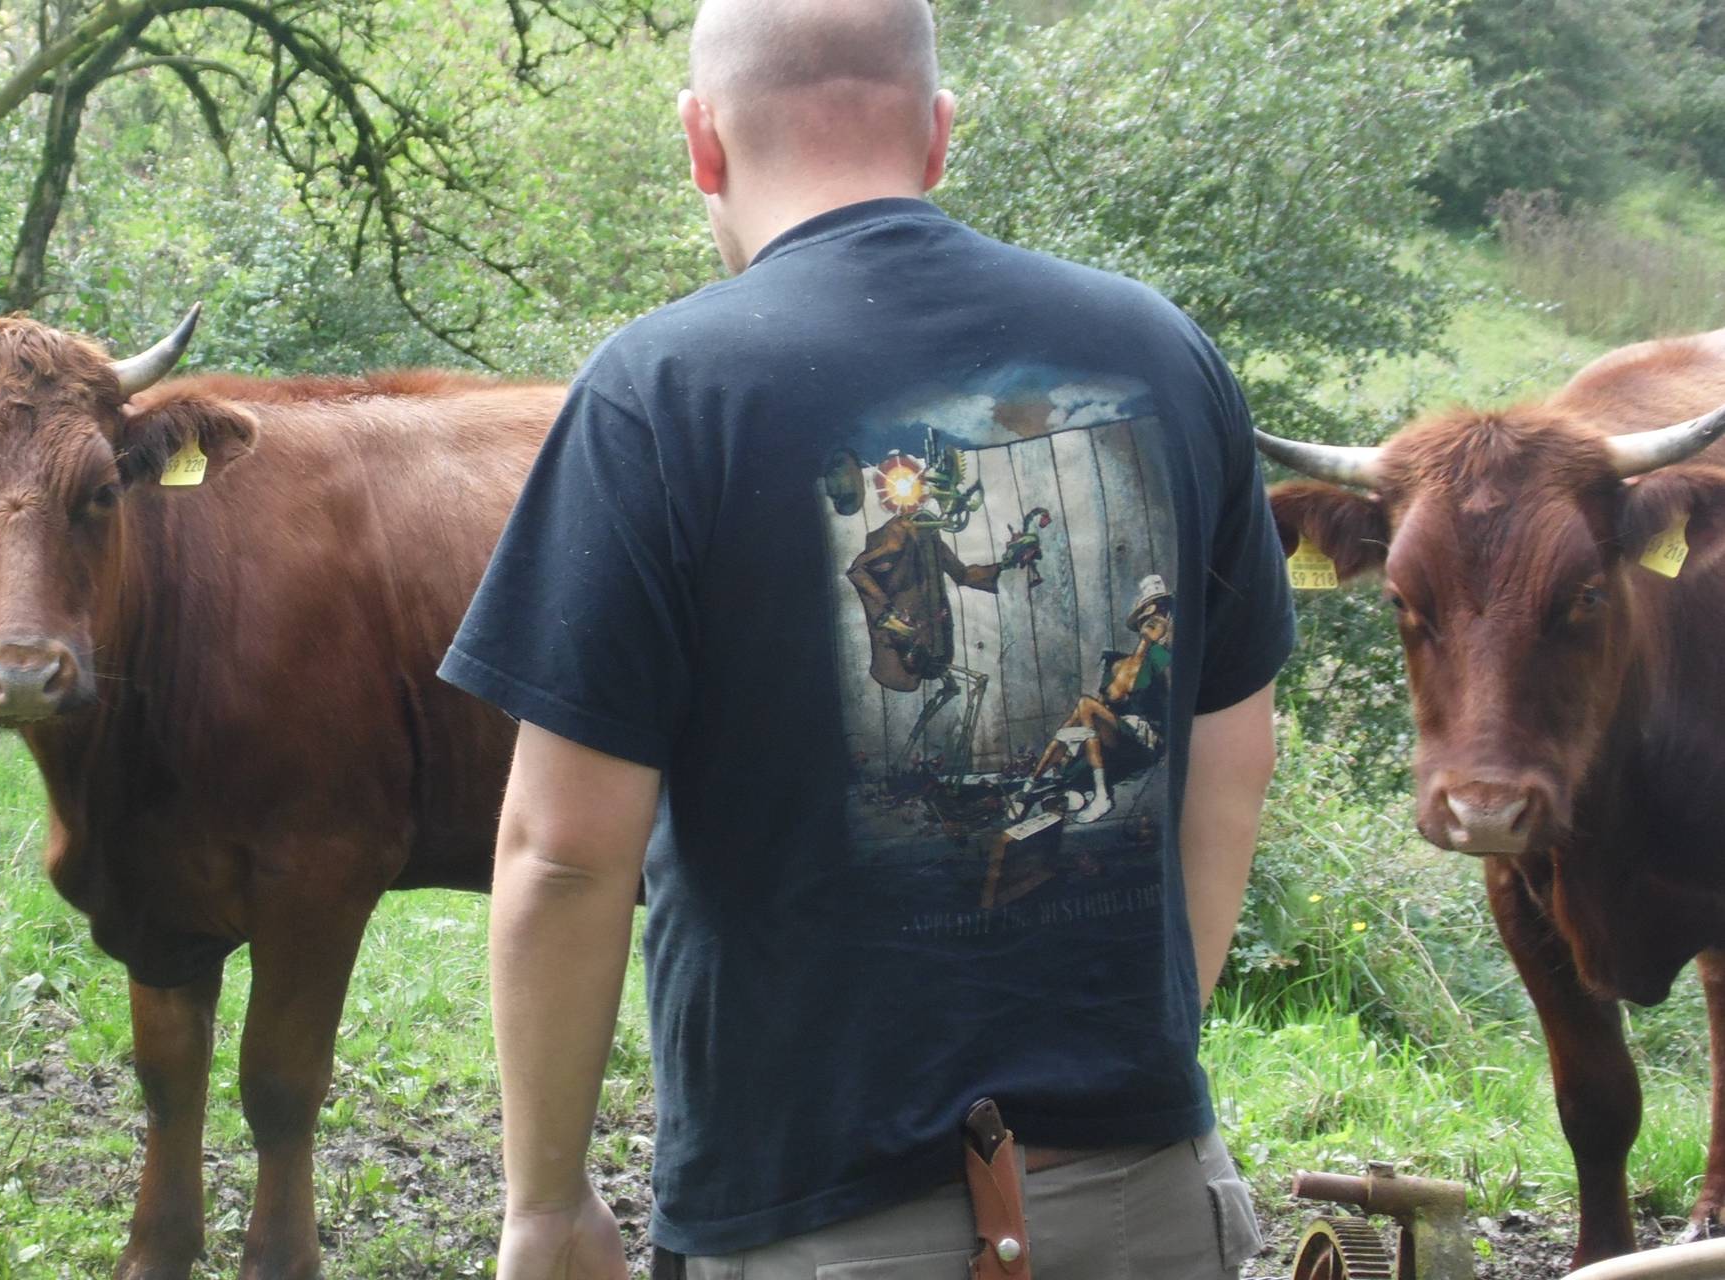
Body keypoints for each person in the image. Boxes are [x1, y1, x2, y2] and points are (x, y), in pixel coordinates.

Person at [440, 1, 1295, 1276]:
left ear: (701, 143)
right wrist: (1143, 1057)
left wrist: (548, 1205)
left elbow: (564, 853)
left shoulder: (661, 393)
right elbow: (1235, 758)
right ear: (939, 136)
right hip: (1155, 1207)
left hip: (814, 1228)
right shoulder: (1166, 352)